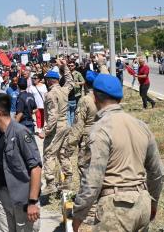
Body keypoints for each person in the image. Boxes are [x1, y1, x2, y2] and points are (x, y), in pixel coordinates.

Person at [72, 74, 164, 232]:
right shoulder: (141, 126)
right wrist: (153, 203)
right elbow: (158, 173)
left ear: (95, 97)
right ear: (120, 99)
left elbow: (93, 181)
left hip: (116, 207)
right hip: (142, 202)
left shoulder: (100, 129)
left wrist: (78, 215)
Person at [0, 94, 42, 232]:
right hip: (3, 199)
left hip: (23, 200)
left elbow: (35, 168)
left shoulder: (21, 133)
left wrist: (32, 202)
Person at [65, 71, 98, 224]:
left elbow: (78, 125)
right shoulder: (103, 98)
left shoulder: (86, 100)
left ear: (85, 83)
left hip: (87, 140)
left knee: (86, 174)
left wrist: (69, 146)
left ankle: (91, 212)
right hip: (103, 137)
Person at [39, 59, 74, 194]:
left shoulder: (50, 94)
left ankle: (50, 183)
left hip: (56, 128)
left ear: (49, 81)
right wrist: (64, 67)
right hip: (66, 124)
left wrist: (45, 131)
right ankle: (68, 179)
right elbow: (70, 81)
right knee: (63, 153)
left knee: (49, 154)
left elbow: (52, 116)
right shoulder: (64, 90)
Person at [67, 62, 85, 126]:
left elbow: (83, 82)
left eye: (71, 66)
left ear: (74, 66)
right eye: (69, 66)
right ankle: (70, 124)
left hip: (76, 93)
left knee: (75, 110)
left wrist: (77, 83)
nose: (70, 67)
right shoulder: (67, 74)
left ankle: (74, 123)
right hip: (69, 94)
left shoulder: (78, 73)